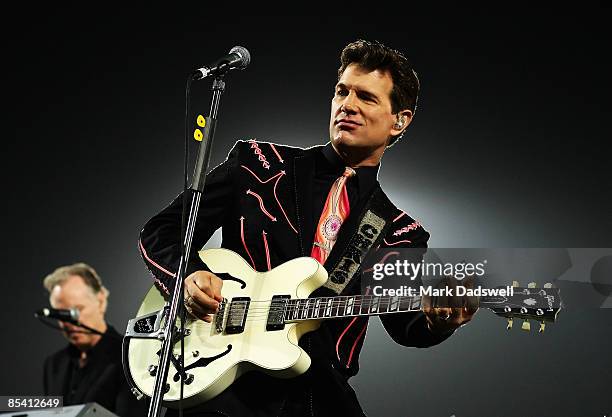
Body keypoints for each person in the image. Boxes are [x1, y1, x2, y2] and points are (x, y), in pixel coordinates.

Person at [139, 39, 477, 416]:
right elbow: (162, 229)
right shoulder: (258, 164)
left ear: (400, 120)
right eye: (341, 91)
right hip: (224, 385)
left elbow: (406, 325)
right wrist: (188, 276)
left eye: (366, 97)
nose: (347, 104)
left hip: (317, 395)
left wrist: (441, 320)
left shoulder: (400, 231)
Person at [42, 263, 147, 416]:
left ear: (101, 301)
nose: (70, 323)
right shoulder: (53, 365)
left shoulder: (131, 357)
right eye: (60, 314)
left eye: (77, 310)